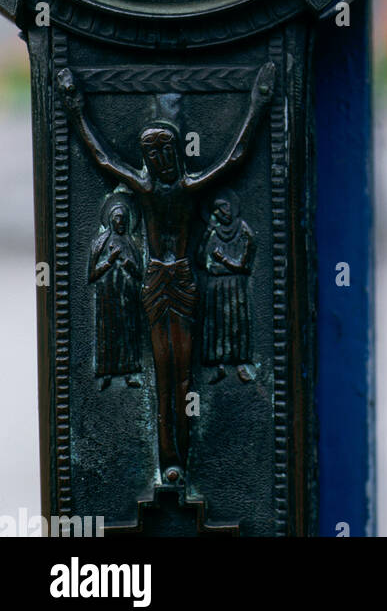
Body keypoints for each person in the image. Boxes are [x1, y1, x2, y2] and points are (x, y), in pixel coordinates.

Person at [58, 62, 275, 483]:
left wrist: (259, 102)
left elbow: (235, 157)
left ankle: (182, 454)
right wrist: (74, 105)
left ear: (174, 153)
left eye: (163, 151)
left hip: (182, 281)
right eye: (150, 154)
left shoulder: (189, 190)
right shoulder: (145, 191)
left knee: (183, 372)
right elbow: (101, 157)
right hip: (156, 280)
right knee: (162, 370)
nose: (157, 160)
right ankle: (167, 457)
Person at [198, 192, 256, 384]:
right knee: (217, 323)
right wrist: (207, 232)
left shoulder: (243, 230)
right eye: (220, 211)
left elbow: (244, 264)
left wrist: (224, 259)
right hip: (216, 284)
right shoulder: (213, 232)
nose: (225, 214)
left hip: (235, 283)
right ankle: (219, 365)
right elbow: (200, 259)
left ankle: (240, 364)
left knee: (236, 323)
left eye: (226, 209)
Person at [88, 196, 143, 390]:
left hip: (127, 297)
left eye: (123, 220)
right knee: (107, 334)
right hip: (107, 296)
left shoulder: (131, 244)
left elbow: (140, 273)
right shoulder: (101, 243)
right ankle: (106, 374)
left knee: (128, 334)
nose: (120, 223)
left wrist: (128, 263)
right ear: (111, 221)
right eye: (117, 219)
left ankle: (129, 373)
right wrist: (110, 260)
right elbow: (92, 274)